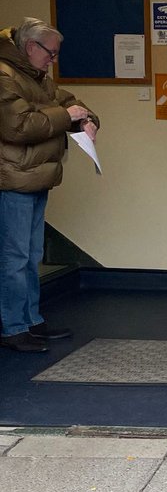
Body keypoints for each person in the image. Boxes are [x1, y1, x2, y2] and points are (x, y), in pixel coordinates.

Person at [0, 19, 99, 352]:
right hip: (12, 179)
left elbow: (72, 103)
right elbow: (19, 126)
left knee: (32, 255)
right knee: (14, 258)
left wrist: (87, 119)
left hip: (36, 177)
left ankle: (31, 321)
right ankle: (13, 328)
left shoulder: (37, 77)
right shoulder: (4, 75)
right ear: (31, 48)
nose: (53, 60)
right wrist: (65, 114)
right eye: (51, 54)